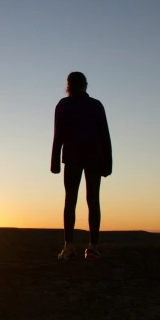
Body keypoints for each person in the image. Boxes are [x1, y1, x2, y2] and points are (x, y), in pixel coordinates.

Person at [50, 72, 112, 261]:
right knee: (93, 200)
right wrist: (108, 162)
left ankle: (69, 246)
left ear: (68, 85)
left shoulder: (63, 105)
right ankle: (93, 247)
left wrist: (54, 161)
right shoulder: (95, 105)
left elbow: (58, 134)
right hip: (94, 157)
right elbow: (105, 136)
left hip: (72, 157)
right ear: (85, 85)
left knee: (71, 200)